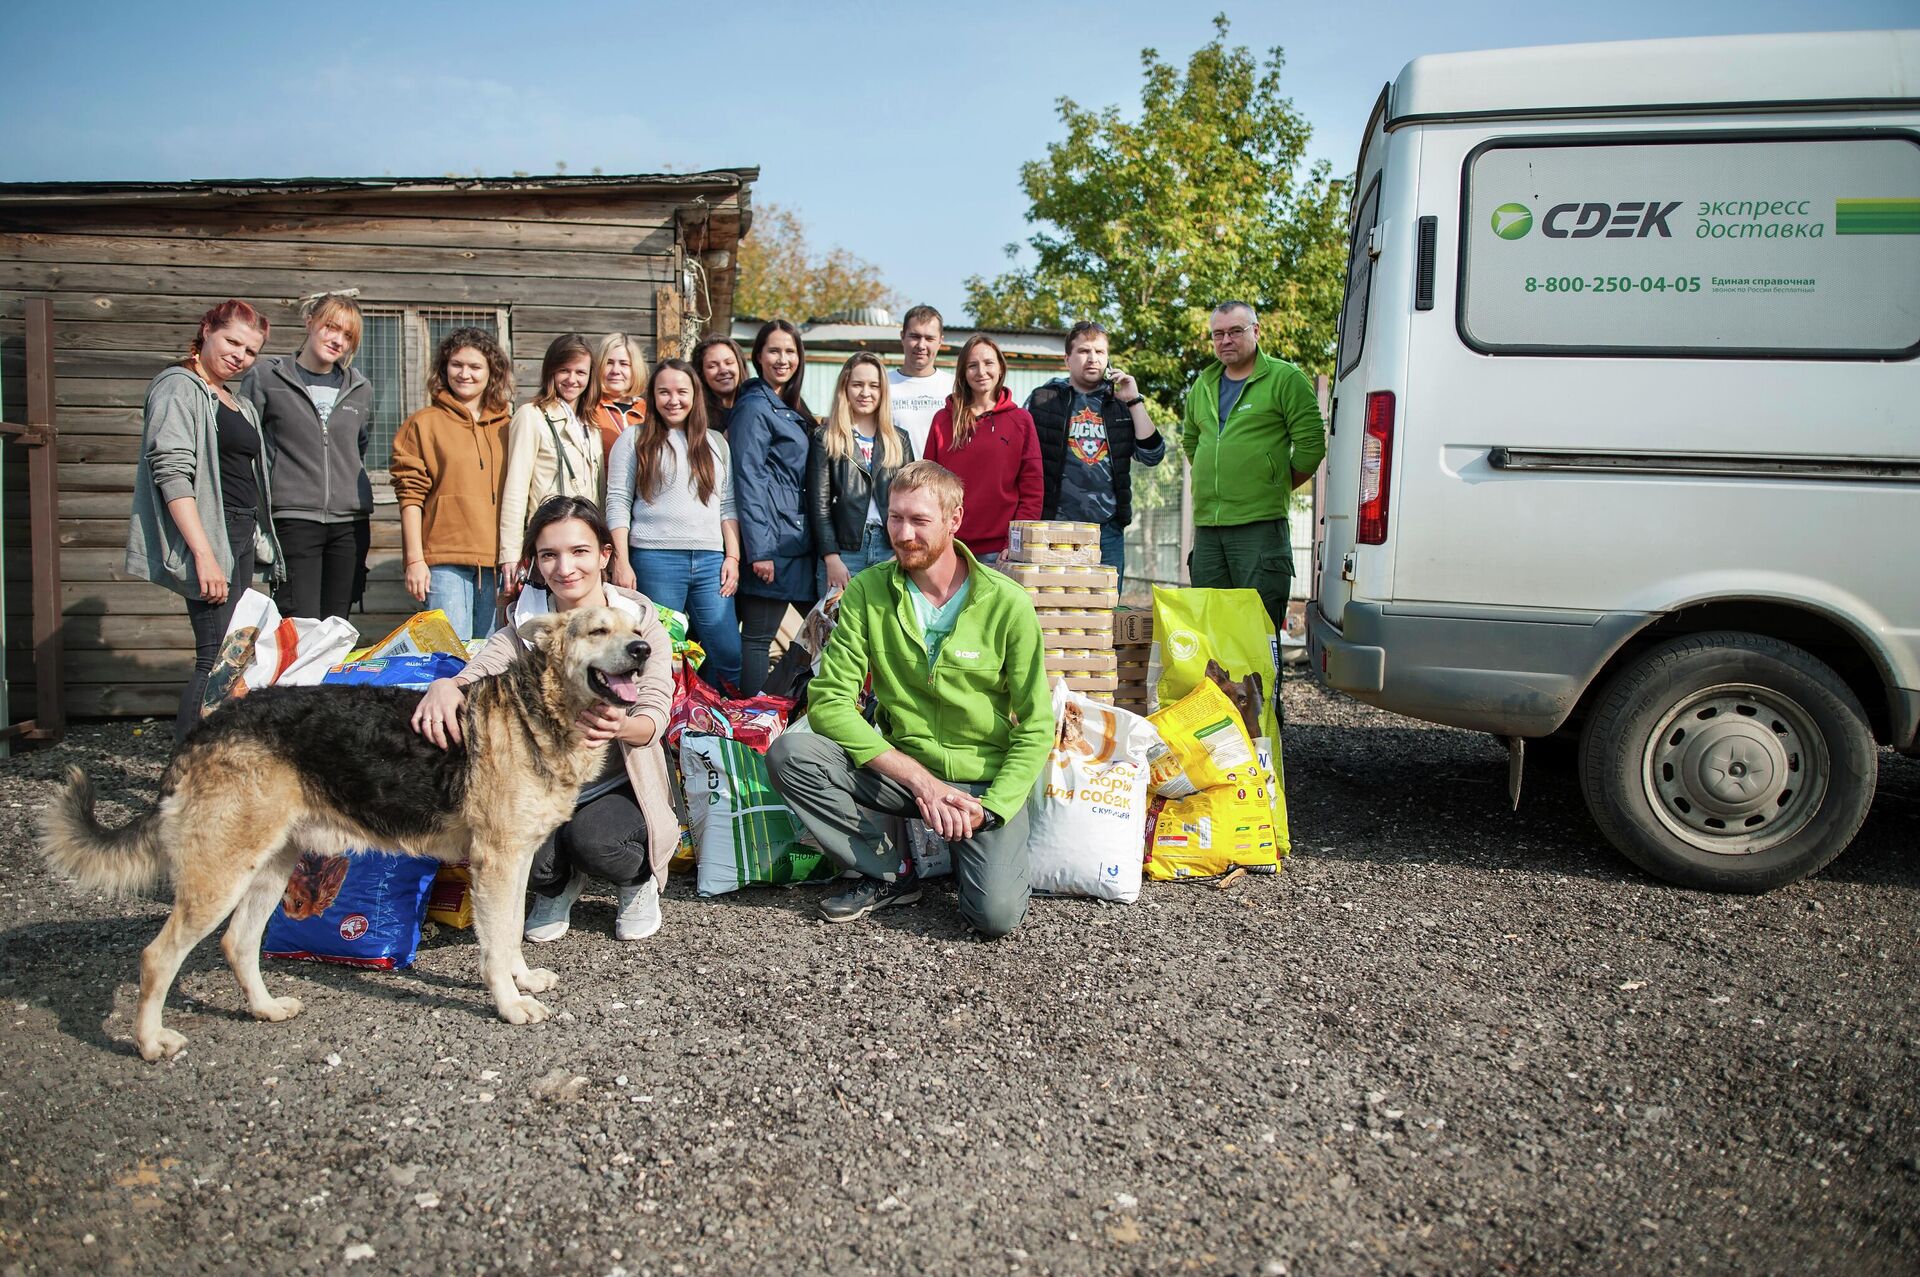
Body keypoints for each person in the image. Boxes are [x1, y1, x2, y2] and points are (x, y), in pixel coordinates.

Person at [766, 461, 1050, 936]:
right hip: (904, 771)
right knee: (792, 753)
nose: (904, 533)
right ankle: (889, 872)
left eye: (919, 520)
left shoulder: (1007, 603)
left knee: (995, 917)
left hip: (981, 783)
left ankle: (971, 845)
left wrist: (993, 806)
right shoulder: (867, 592)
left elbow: (1038, 725)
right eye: (896, 518)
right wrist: (920, 780)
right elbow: (830, 701)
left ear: (954, 519)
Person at [411, 495, 676, 943]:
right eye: (549, 555)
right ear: (536, 560)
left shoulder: (639, 623)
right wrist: (446, 685)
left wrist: (620, 726)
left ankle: (636, 882)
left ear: (604, 555)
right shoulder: (528, 624)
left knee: (597, 842)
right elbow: (480, 669)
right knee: (525, 852)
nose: (565, 568)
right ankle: (556, 885)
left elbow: (655, 711)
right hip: (541, 783)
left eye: (579, 552)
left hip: (614, 785)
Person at [124, 300, 286, 744]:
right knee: (214, 658)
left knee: (234, 657)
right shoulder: (178, 387)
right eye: (232, 341)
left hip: (239, 534)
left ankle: (208, 769)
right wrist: (203, 554)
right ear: (207, 331)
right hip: (210, 536)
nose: (239, 355)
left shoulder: (237, 403)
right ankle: (182, 777)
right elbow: (172, 474)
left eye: (251, 351)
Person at [1179, 300, 1327, 642]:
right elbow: (1192, 443)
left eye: (1235, 331)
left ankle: (1264, 698)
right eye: (1218, 333)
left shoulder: (1284, 378)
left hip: (1258, 530)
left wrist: (1272, 484)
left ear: (1256, 332)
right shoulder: (1202, 384)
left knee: (1257, 633)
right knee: (1212, 632)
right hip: (1209, 530)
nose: (1226, 340)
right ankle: (1216, 699)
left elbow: (1311, 447)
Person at [605, 358, 745, 690]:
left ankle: (716, 725)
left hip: (711, 561)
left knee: (726, 652)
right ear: (652, 397)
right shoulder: (634, 439)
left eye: (682, 392)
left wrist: (733, 557)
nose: (674, 400)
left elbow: (726, 505)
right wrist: (621, 561)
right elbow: (617, 501)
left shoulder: (715, 443)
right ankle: (665, 729)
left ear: (695, 395)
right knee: (662, 654)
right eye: (664, 392)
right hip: (656, 560)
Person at [243, 293, 374, 621]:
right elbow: (245, 447)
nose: (338, 340)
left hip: (350, 525)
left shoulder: (360, 388)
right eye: (331, 327)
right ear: (309, 322)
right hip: (293, 519)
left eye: (348, 336)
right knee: (300, 623)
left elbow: (357, 447)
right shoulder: (267, 378)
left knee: (337, 626)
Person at [389, 328, 515, 641]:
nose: (465, 374)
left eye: (475, 367)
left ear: (491, 373)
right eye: (457, 364)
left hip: (498, 564)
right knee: (449, 657)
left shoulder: (510, 426)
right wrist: (415, 560)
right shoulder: (424, 422)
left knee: (491, 659)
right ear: (445, 368)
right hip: (444, 562)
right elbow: (410, 496)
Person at [1024, 321, 1165, 589]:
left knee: (1105, 613)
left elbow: (1152, 454)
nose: (1092, 359)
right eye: (1084, 351)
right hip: (1055, 526)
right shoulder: (1043, 399)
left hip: (1107, 529)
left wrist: (1134, 401)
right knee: (1054, 608)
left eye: (1100, 352)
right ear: (1067, 359)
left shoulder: (1121, 401)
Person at [728, 319, 817, 695]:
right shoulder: (753, 406)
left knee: (825, 626)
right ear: (759, 356)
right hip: (772, 545)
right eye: (774, 351)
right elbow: (747, 479)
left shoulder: (786, 404)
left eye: (790, 351)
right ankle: (747, 720)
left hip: (796, 541)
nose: (783, 359)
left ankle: (787, 706)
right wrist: (760, 550)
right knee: (759, 637)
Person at [923, 334, 1043, 562]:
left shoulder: (1021, 420)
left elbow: (1032, 491)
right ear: (963, 372)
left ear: (1000, 368)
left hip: (1000, 551)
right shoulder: (943, 420)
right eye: (972, 365)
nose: (981, 371)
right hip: (950, 547)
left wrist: (1014, 544)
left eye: (988, 363)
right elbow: (929, 487)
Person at [500, 335, 602, 598]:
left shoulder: (590, 425)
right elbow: (516, 486)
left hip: (583, 543)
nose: (572, 379)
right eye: (564, 370)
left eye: (580, 372)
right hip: (548, 541)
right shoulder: (531, 415)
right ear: (550, 371)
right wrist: (510, 554)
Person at [808, 352, 914, 596]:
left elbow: (909, 501)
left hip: (889, 549)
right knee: (836, 629)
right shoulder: (826, 438)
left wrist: (902, 549)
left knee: (883, 629)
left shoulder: (899, 439)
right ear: (845, 387)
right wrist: (831, 557)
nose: (865, 392)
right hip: (845, 552)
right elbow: (819, 506)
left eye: (874, 385)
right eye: (857, 384)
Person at [887, 304, 953, 458]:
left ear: (940, 341)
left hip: (943, 480)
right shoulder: (882, 384)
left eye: (929, 338)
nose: (921, 345)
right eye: (915, 336)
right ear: (902, 336)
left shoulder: (955, 387)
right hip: (895, 480)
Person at [583, 332, 649, 468]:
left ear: (635, 369)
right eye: (609, 363)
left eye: (624, 364)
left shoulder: (648, 411)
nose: (615, 370)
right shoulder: (587, 408)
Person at [692, 333, 746, 435]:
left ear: (739, 365)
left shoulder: (754, 406)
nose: (723, 370)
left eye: (729, 362)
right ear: (701, 373)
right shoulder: (696, 415)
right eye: (712, 366)